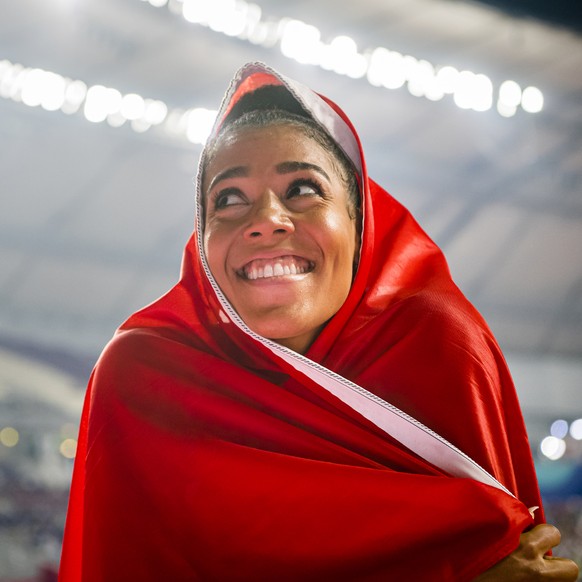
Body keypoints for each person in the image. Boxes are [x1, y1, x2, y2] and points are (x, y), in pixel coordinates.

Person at [58, 62, 579, 581]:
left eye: (302, 189)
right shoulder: (147, 377)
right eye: (229, 198)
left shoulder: (439, 345)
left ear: (360, 222)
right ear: (202, 240)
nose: (265, 220)